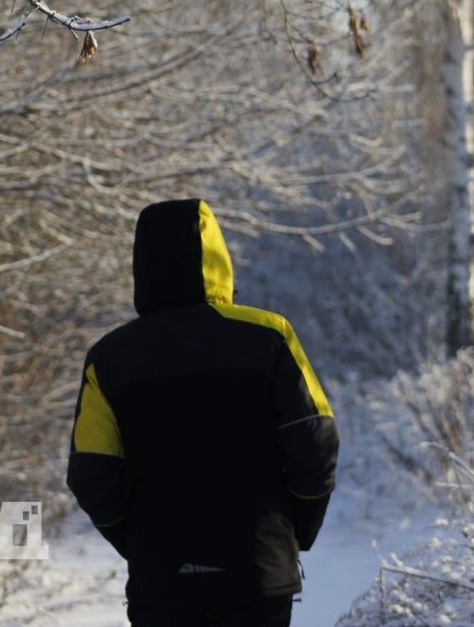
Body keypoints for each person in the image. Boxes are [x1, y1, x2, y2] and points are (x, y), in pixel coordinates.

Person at [66, 198, 339, 627]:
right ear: (217, 258)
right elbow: (315, 443)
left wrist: (140, 544)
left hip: (161, 582)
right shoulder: (269, 337)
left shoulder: (109, 359)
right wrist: (295, 532)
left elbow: (91, 473)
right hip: (258, 573)